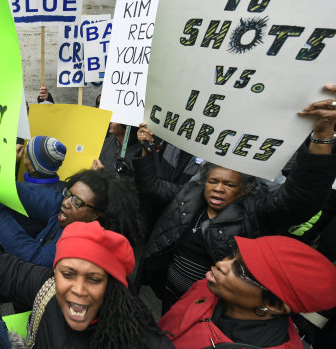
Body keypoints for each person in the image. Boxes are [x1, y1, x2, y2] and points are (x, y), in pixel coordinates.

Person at [133, 85, 336, 312]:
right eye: (213, 181)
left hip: (213, 309)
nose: (218, 189)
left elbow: (300, 198)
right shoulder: (188, 195)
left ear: (243, 190)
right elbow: (152, 187)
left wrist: (322, 137)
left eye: (228, 184)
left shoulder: (255, 213)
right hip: (169, 295)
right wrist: (147, 150)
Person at [0, 181, 174, 348]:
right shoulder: (46, 287)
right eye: (68, 274)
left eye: (94, 279)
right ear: (55, 272)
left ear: (112, 283)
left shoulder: (138, 328)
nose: (78, 288)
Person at [158, 235, 336, 348]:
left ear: (274, 305)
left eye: (241, 270)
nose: (221, 264)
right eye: (233, 254)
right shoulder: (205, 288)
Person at [0, 169, 138, 267]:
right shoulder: (65, 210)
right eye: (68, 194)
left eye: (77, 202)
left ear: (96, 215)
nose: (67, 203)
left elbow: (36, 259)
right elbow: (33, 197)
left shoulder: (80, 246)